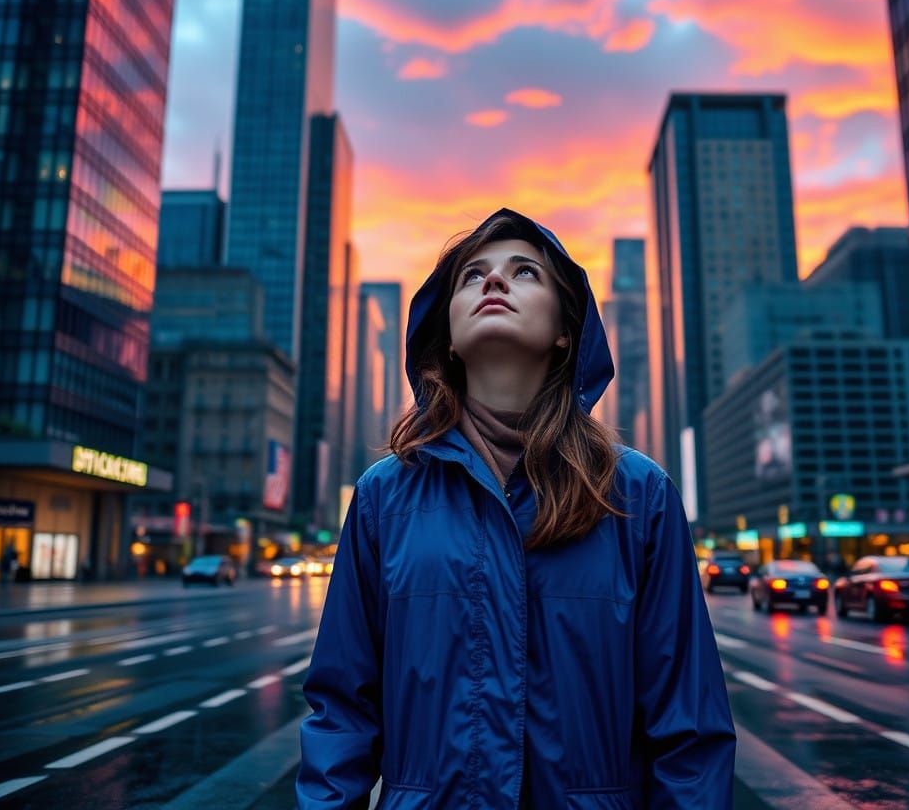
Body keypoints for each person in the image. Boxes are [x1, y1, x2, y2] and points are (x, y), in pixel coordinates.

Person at [298, 208, 735, 808]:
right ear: (446, 335)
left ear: (565, 329)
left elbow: (688, 727)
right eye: (472, 276)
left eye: (524, 272)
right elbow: (343, 710)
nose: (494, 282)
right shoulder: (384, 496)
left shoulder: (636, 495)